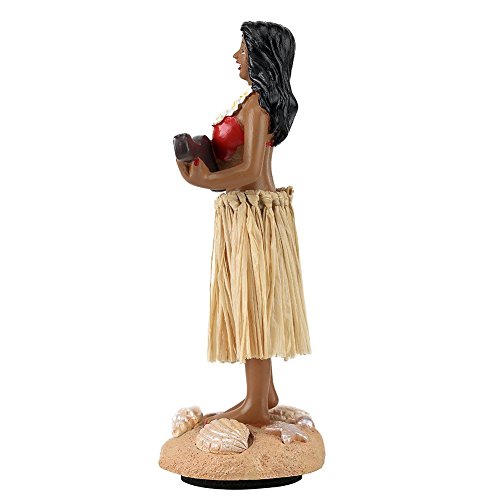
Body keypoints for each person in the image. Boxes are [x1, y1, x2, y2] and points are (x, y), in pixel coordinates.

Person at [176, 21, 311, 426]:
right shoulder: (251, 102)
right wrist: (206, 165)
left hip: (255, 214)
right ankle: (263, 394)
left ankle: (255, 405)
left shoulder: (258, 108)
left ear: (262, 56)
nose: (236, 56)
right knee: (246, 300)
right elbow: (237, 162)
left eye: (244, 50)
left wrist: (204, 181)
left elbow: (251, 169)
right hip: (243, 210)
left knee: (253, 303)